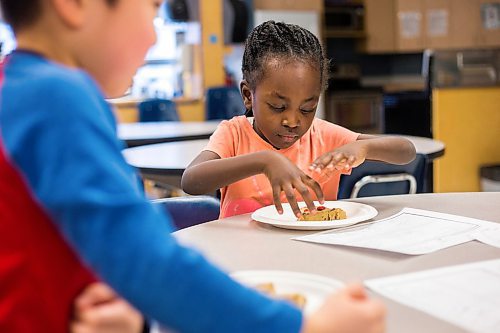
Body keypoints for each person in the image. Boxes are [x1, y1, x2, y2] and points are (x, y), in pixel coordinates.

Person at [0, 1, 385, 333]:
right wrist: (302, 326)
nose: (153, 37)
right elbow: (149, 263)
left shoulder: (17, 87)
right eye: (151, 8)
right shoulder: (56, 98)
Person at [181, 21, 416, 219]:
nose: (293, 121)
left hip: (310, 255)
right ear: (247, 96)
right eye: (278, 107)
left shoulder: (323, 136)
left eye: (307, 108)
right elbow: (191, 181)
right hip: (245, 262)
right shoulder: (234, 134)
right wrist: (264, 161)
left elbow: (405, 151)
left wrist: (362, 146)